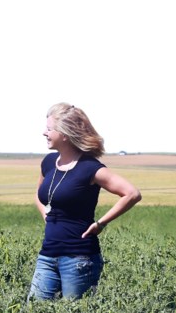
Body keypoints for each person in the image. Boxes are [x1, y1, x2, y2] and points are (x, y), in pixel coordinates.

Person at [29, 103, 142, 300]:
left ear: (64, 133)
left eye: (49, 129)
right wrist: (45, 214)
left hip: (79, 259)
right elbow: (38, 194)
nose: (44, 133)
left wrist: (100, 224)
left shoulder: (90, 168)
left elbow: (131, 194)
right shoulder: (48, 162)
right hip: (47, 256)